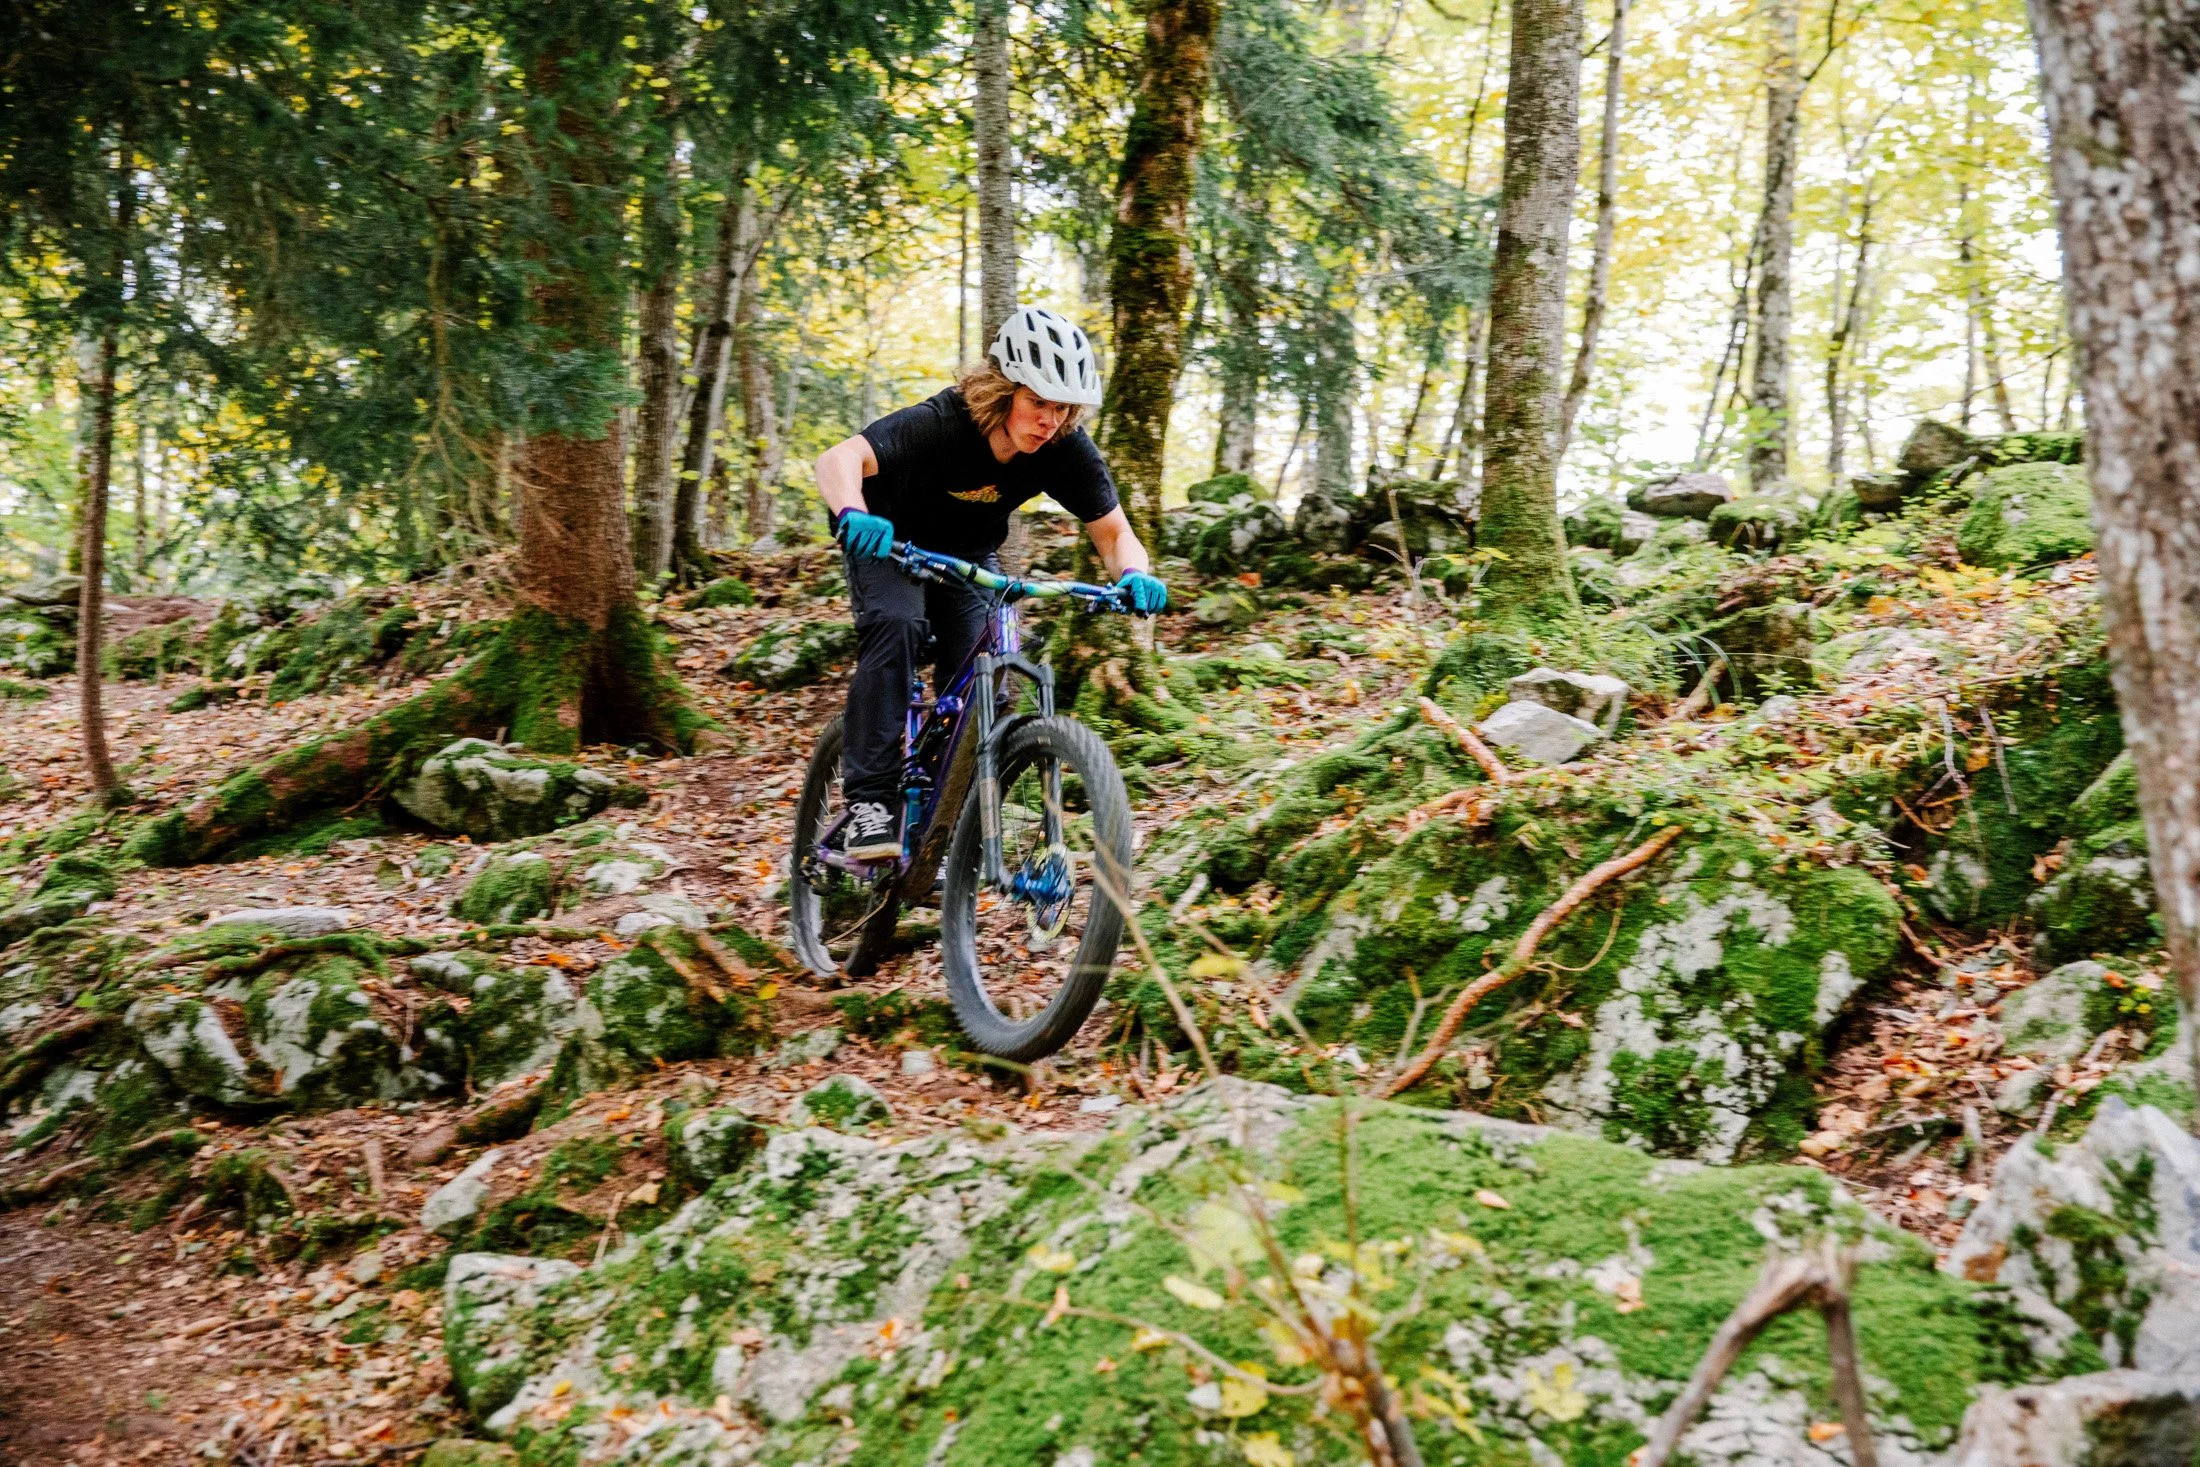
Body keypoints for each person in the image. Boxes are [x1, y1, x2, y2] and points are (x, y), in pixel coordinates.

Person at [812, 306, 1168, 860]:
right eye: (1038, 402)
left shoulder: (1064, 446)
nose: (1049, 420)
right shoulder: (943, 422)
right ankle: (871, 802)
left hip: (969, 557)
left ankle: (941, 826)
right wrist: (853, 514)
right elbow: (840, 458)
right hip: (889, 542)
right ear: (1005, 391)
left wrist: (1134, 574)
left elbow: (1114, 531)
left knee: (989, 677)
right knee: (898, 625)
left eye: (1062, 408)